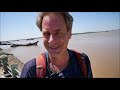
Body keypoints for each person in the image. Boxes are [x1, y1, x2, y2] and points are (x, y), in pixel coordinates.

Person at [20, 12, 93, 78]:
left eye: (58, 33)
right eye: (47, 34)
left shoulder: (82, 61)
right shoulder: (31, 70)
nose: (51, 41)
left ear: (69, 33)